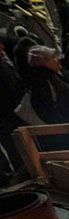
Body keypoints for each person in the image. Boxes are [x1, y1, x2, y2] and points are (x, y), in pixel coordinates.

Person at [26, 45, 69, 124]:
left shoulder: (54, 75)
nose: (57, 59)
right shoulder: (42, 82)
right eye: (53, 57)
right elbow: (47, 111)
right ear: (43, 62)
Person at [0, 35, 25, 175]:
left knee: (23, 146)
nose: (2, 47)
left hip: (15, 114)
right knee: (15, 149)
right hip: (6, 117)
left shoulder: (4, 64)